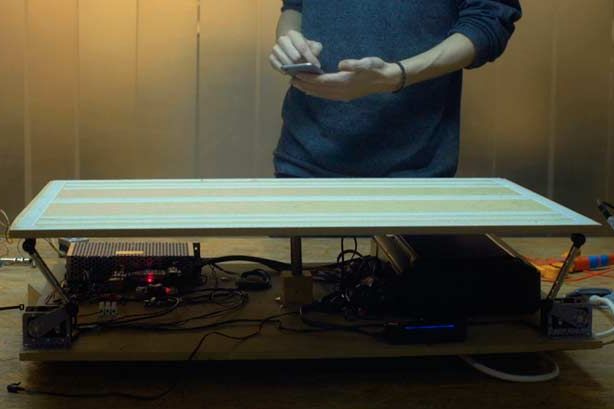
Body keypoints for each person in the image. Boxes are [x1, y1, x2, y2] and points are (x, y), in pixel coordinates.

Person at [269, 1, 521, 178]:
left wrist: (398, 75)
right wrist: (289, 42)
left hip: (414, 168)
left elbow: (489, 18)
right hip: (303, 160)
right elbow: (295, 6)